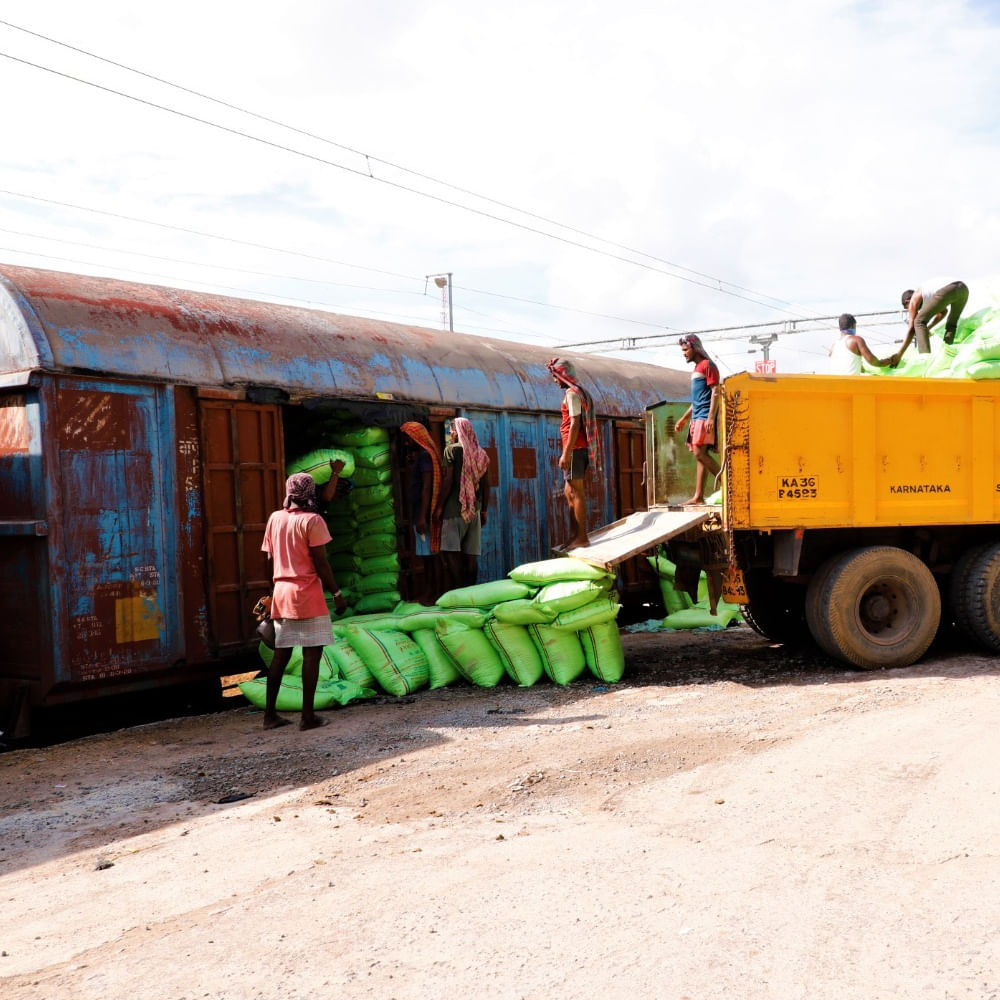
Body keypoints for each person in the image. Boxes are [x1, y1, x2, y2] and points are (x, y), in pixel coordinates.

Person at [260, 469, 346, 731]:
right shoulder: (313, 521)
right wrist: (336, 593)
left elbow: (268, 559)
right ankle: (307, 717)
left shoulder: (275, 519)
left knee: (281, 656)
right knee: (312, 655)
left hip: (283, 594)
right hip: (307, 594)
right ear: (310, 493)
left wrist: (274, 587)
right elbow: (321, 562)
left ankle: (270, 716)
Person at [547, 356, 601, 549]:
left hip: (576, 449)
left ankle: (582, 538)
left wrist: (566, 453)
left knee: (576, 492)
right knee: (568, 491)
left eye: (555, 376)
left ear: (562, 375)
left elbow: (575, 423)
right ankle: (574, 535)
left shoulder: (571, 393)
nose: (554, 381)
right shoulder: (578, 392)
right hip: (577, 449)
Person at [439, 417, 490, 589]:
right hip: (474, 511)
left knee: (451, 553)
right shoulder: (481, 454)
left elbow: (448, 482)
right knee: (470, 556)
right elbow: (486, 485)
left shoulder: (451, 451)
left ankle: (458, 591)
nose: (451, 433)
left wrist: (439, 506)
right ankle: (471, 592)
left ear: (458, 431)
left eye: (452, 430)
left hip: (454, 510)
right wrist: (484, 511)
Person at [674, 334, 721, 506]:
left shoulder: (707, 365)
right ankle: (698, 496)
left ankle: (728, 485)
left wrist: (710, 417)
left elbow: (716, 390)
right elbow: (697, 401)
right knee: (701, 455)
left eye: (686, 350)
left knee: (699, 452)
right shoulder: (697, 369)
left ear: (695, 348)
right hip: (697, 416)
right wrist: (684, 419)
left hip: (704, 417)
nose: (684, 353)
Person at [400, 420, 443, 605]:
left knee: (430, 558)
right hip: (422, 512)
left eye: (408, 438)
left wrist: (421, 516)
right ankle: (431, 592)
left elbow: (426, 487)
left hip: (423, 514)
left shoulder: (425, 456)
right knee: (428, 557)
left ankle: (432, 593)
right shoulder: (423, 456)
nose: (406, 442)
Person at [897, 280, 969, 359]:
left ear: (908, 301)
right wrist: (928, 328)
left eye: (908, 308)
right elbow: (943, 312)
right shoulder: (927, 295)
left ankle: (925, 359)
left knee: (918, 321)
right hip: (963, 289)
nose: (913, 311)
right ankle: (948, 355)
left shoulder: (915, 297)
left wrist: (899, 354)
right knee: (951, 324)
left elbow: (912, 328)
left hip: (951, 288)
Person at [829, 313, 896, 374]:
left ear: (840, 328)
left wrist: (860, 367)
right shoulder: (857, 340)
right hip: (851, 384)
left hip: (834, 384)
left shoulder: (834, 346)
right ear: (853, 325)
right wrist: (890, 360)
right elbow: (873, 361)